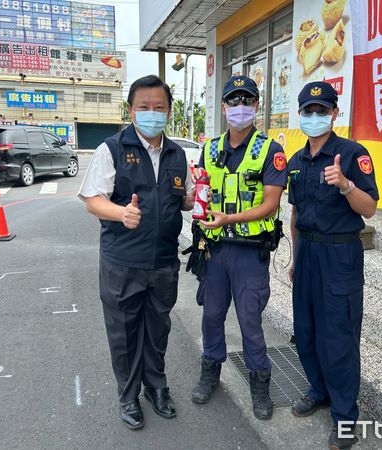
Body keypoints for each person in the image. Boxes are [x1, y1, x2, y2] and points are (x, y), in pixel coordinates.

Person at [78, 75, 194, 431]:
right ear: (131, 110)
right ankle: (128, 395)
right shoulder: (111, 149)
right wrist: (120, 213)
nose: (152, 113)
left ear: (169, 112)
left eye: (159, 108)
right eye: (144, 107)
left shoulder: (177, 154)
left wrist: (193, 199)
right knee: (125, 333)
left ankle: (155, 387)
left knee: (158, 329)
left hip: (163, 262)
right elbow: (93, 200)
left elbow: (186, 199)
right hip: (122, 262)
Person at [287, 81, 379, 449]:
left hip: (340, 256)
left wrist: (344, 184)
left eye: (321, 110)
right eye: (308, 111)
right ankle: (318, 390)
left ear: (335, 113)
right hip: (307, 253)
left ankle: (345, 419)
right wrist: (295, 257)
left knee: (338, 338)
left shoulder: (353, 154)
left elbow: (369, 208)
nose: (314, 117)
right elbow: (294, 214)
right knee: (306, 330)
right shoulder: (296, 161)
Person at [190, 75, 287, 420]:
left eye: (247, 101)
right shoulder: (210, 148)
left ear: (257, 107)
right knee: (212, 316)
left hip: (249, 252)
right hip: (214, 251)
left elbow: (271, 205)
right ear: (223, 107)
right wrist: (191, 198)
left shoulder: (270, 151)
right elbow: (200, 192)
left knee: (250, 321)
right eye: (234, 101)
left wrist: (228, 220)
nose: (240, 107)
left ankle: (260, 381)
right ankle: (210, 369)